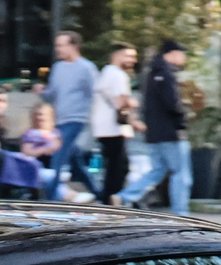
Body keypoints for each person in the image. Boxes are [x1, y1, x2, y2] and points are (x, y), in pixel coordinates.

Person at [122, 39, 192, 216]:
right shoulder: (167, 74)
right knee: (180, 174)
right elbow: (173, 103)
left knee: (158, 170)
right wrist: (181, 120)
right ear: (172, 54)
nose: (183, 57)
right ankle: (181, 213)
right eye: (181, 53)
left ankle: (126, 195)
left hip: (153, 134)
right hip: (170, 133)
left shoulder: (151, 73)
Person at [41, 31, 95, 201]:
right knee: (75, 163)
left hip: (76, 120)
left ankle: (50, 200)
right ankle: (99, 194)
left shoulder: (86, 68)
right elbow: (51, 94)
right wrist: (41, 92)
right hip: (60, 121)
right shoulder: (58, 68)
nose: (57, 49)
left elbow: (95, 94)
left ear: (74, 46)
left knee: (57, 159)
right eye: (56, 45)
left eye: (61, 45)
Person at [90, 43, 137, 205]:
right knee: (120, 167)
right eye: (129, 56)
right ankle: (111, 199)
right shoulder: (117, 75)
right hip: (112, 128)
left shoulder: (106, 72)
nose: (133, 60)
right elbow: (121, 101)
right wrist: (133, 104)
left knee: (114, 166)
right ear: (117, 55)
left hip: (104, 127)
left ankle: (108, 198)